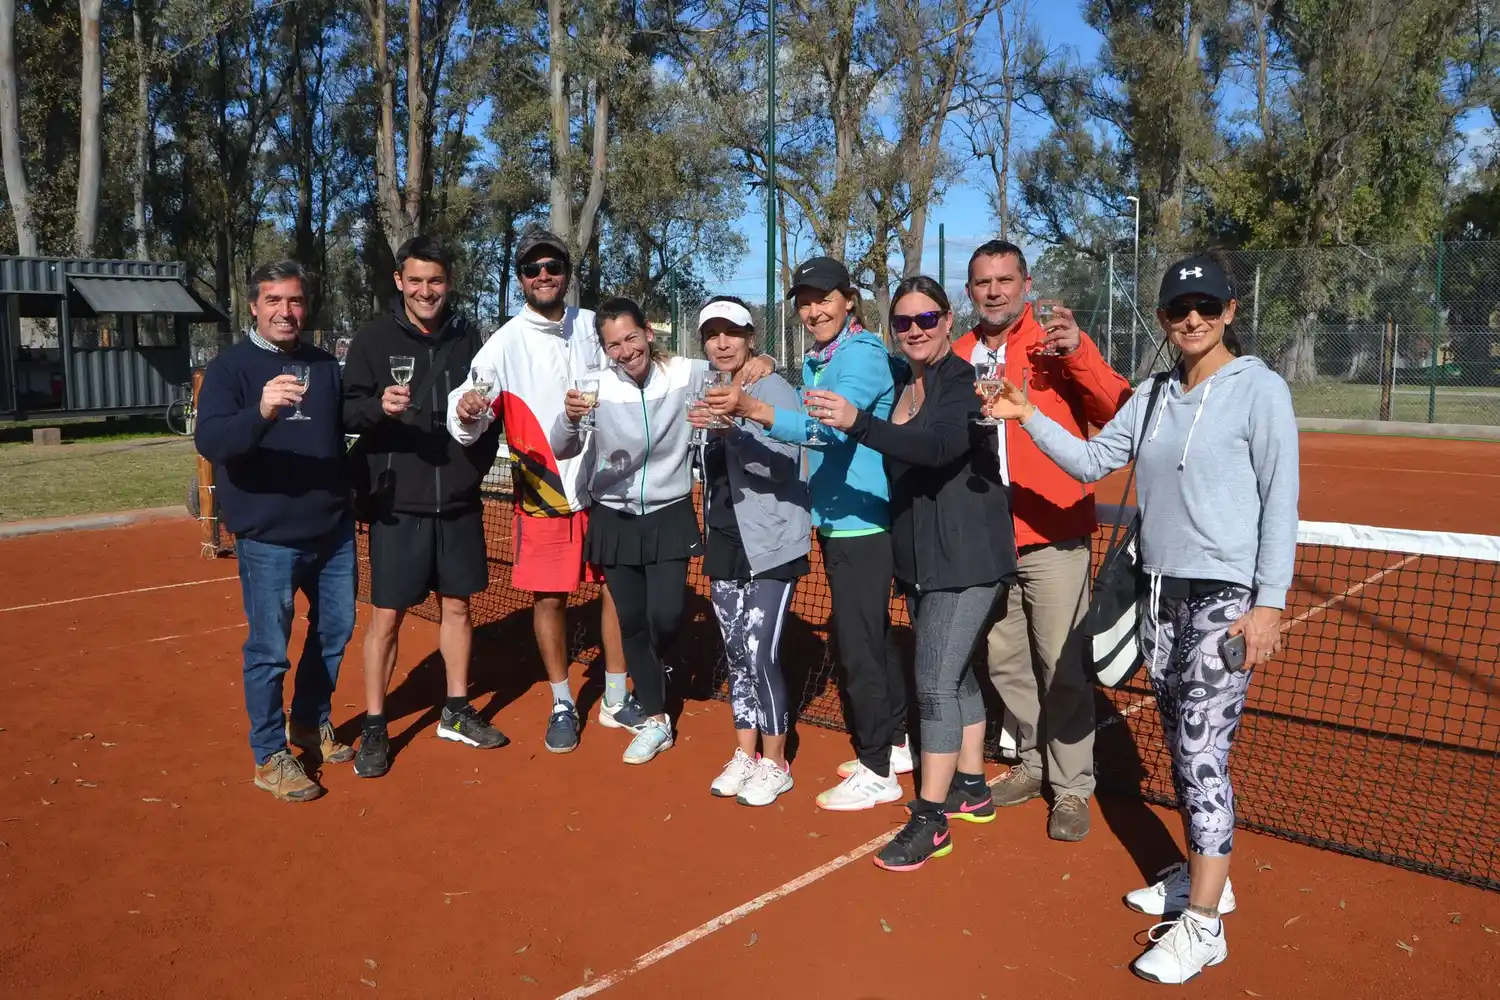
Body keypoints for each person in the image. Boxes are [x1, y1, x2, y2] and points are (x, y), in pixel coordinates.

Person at [981, 252, 1299, 984]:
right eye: (1179, 310)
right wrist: (1027, 416)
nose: (1192, 320)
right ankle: (1199, 876)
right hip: (1158, 594)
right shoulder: (1153, 394)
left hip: (1224, 601)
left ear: (1229, 314)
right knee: (1179, 741)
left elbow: (1280, 501)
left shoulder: (1261, 392)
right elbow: (1093, 462)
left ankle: (1204, 926)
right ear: (1162, 318)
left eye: (1207, 308)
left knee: (1201, 757)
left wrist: (1270, 604)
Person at [807, 277, 1017, 869]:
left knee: (931, 685)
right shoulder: (904, 380)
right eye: (903, 323)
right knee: (954, 676)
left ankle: (930, 821)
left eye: (926, 319)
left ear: (949, 321)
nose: (916, 330)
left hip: (966, 556)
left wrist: (859, 424)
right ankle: (971, 788)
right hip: (922, 559)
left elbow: (940, 448)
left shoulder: (960, 383)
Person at [707, 256, 907, 812]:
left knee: (860, 644)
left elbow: (826, 431)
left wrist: (753, 406)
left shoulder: (860, 354)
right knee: (868, 635)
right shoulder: (826, 355)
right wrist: (763, 367)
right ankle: (894, 741)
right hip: (838, 519)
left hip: (864, 520)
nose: (814, 309)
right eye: (806, 301)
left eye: (825, 298)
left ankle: (876, 768)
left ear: (849, 300)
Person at [955, 239, 1132, 842]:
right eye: (984, 282)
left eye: (1006, 279)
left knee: (1063, 668)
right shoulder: (958, 353)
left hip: (1054, 534)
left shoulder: (1055, 344)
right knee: (1007, 665)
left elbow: (1116, 408)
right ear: (971, 291)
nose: (995, 290)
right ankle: (1033, 764)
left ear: (1026, 284)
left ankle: (1073, 786)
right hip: (987, 543)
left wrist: (1080, 352)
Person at [551, 298, 774, 764]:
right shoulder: (594, 386)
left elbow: (728, 365)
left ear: (649, 333)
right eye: (614, 344)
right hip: (614, 517)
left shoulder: (684, 373)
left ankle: (655, 673)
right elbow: (562, 445)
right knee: (630, 621)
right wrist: (569, 418)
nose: (625, 350)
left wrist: (765, 359)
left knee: (668, 615)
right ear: (605, 349)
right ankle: (656, 717)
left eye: (632, 338)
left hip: (670, 511)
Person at [447, 228, 627, 753]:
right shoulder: (503, 343)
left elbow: (646, 363)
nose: (543, 275)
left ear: (567, 273)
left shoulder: (596, 326)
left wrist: (753, 361)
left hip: (606, 487)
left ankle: (615, 695)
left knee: (614, 589)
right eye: (532, 269)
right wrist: (465, 410)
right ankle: (562, 701)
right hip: (543, 494)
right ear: (522, 279)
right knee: (550, 599)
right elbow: (471, 400)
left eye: (553, 266)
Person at [341, 234, 507, 778]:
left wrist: (473, 469)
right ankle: (373, 724)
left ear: (449, 283)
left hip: (458, 504)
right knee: (385, 617)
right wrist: (377, 407)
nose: (426, 290)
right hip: (398, 507)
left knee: (458, 608)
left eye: (435, 280)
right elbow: (345, 411)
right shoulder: (371, 338)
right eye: (416, 280)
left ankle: (455, 711)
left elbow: (488, 412)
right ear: (399, 282)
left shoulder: (469, 340)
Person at [194, 260, 355, 802]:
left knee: (335, 633)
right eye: (275, 301)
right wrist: (261, 410)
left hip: (332, 532)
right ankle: (269, 754)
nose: (286, 312)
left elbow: (339, 435)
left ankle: (309, 723)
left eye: (295, 301)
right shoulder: (230, 370)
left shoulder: (325, 365)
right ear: (254, 308)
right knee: (269, 649)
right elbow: (212, 444)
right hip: (268, 538)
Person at [688, 296, 811, 806]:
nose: (722, 342)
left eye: (732, 333)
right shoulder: (705, 386)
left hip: (772, 540)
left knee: (761, 653)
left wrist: (735, 425)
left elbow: (787, 463)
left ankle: (775, 761)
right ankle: (745, 752)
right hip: (726, 536)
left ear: (750, 338)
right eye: (713, 334)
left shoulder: (774, 386)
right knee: (736, 652)